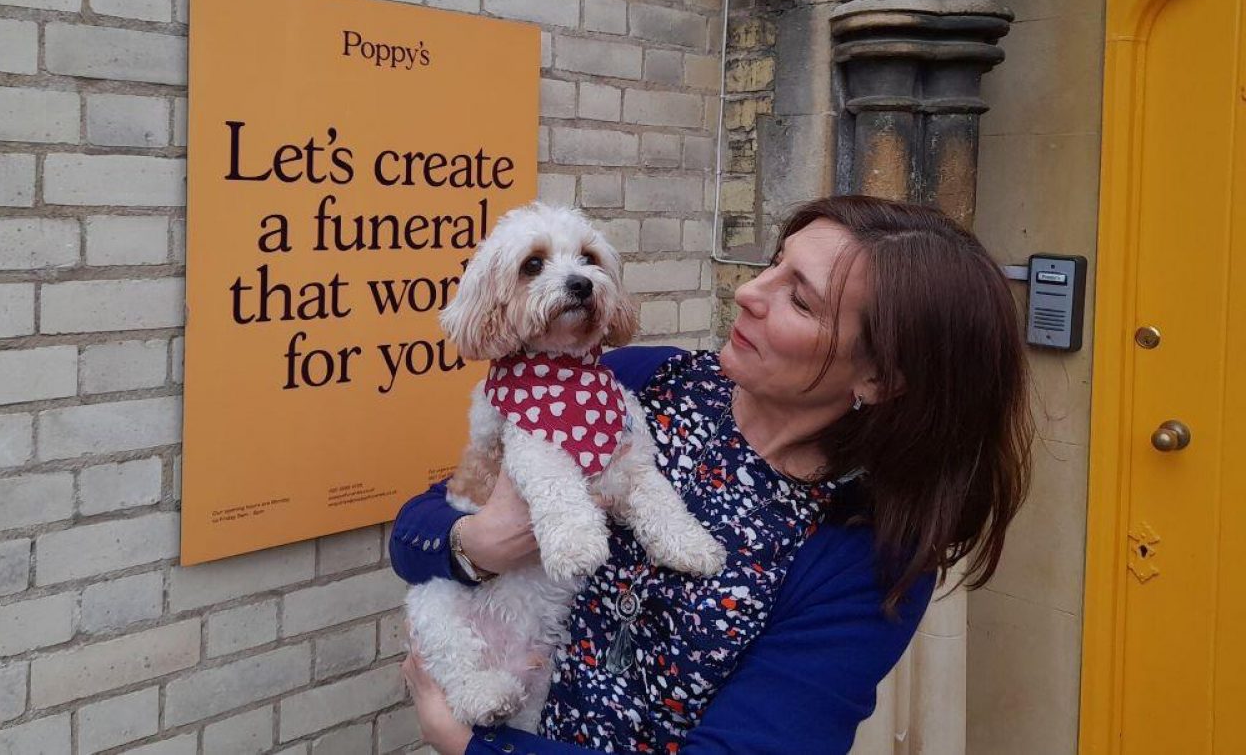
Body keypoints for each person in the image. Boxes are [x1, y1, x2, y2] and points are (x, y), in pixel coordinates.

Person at [390, 195, 1033, 754]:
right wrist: (471, 546)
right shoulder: (644, 382)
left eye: (799, 300)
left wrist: (472, 746)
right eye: (772, 264)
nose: (750, 293)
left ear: (879, 378)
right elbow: (415, 532)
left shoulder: (863, 556)